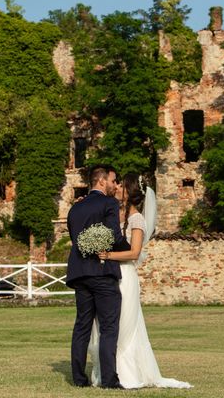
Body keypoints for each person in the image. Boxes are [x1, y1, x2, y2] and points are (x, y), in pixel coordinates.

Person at [89, 173, 193, 389]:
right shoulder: (113, 213)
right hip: (107, 275)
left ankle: (126, 373)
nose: (117, 186)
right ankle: (107, 371)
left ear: (130, 191)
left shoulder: (136, 219)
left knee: (124, 325)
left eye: (121, 185)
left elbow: (134, 253)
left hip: (125, 276)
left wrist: (107, 255)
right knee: (106, 324)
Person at [66, 164, 131, 389]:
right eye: (113, 181)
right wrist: (129, 250)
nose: (115, 185)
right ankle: (110, 380)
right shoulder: (109, 203)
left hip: (79, 272)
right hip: (102, 271)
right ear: (102, 181)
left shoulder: (75, 208)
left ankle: (78, 379)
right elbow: (114, 234)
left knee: (82, 325)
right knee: (109, 326)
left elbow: (76, 238)